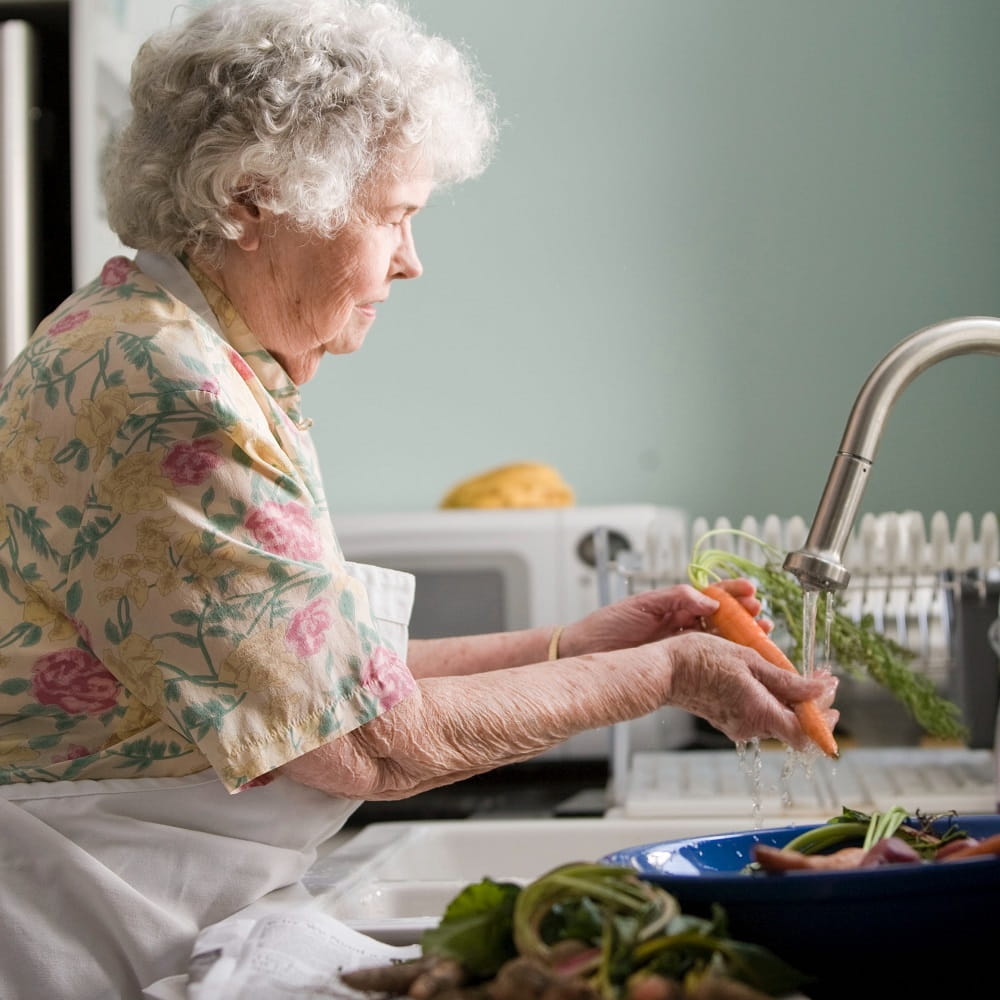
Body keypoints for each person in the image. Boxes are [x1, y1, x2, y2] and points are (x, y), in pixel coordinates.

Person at [0, 1, 837, 996]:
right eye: (394, 213)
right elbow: (362, 742)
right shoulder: (168, 392)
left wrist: (585, 645)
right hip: (88, 918)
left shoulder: (152, 342)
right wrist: (666, 675)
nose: (410, 258)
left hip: (139, 895)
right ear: (256, 199)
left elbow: (321, 677)